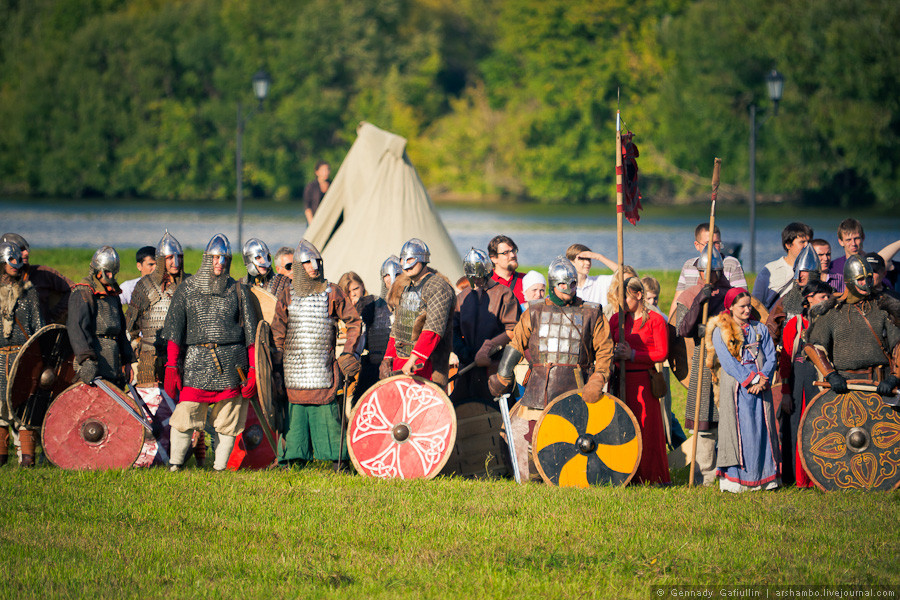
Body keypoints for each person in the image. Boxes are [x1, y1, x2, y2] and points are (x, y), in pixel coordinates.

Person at [488, 256, 614, 482]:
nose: (569, 289)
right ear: (554, 284)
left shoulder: (592, 312)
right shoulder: (534, 311)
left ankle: (574, 477)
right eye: (564, 284)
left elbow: (605, 351)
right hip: (540, 385)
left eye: (573, 284)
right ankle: (531, 478)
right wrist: (503, 374)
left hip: (577, 386)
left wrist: (599, 377)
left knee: (575, 436)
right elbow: (516, 343)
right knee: (522, 433)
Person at [161, 233, 258, 471]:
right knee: (185, 417)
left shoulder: (238, 290)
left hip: (232, 363)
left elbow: (251, 336)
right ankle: (175, 465)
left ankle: (220, 467)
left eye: (224, 258)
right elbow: (174, 332)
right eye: (215, 258)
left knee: (228, 420)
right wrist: (172, 366)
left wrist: (253, 369)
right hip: (197, 362)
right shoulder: (188, 289)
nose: (219, 263)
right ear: (207, 259)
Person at [272, 240, 361, 470]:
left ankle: (337, 461)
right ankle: (293, 459)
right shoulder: (288, 294)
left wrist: (349, 352)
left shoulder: (332, 292)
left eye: (317, 261)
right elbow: (278, 333)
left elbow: (354, 322)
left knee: (328, 416)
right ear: (300, 267)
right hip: (294, 371)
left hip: (323, 370)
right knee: (296, 419)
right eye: (308, 262)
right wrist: (275, 367)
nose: (314, 266)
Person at [126, 232, 195, 466]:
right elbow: (131, 324)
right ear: (161, 259)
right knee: (150, 406)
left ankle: (182, 455)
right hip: (149, 355)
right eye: (169, 258)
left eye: (178, 257)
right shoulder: (144, 286)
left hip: (182, 356)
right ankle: (145, 457)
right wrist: (137, 347)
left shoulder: (191, 284)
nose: (174, 262)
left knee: (181, 406)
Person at [707, 288, 780, 492]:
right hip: (738, 389)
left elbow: (771, 356)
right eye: (742, 306)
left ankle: (765, 479)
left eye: (749, 305)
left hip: (761, 388)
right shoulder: (721, 330)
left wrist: (763, 379)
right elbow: (728, 362)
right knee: (741, 431)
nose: (747, 309)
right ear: (730, 307)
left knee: (762, 430)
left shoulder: (760, 329)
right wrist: (751, 379)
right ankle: (737, 482)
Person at [805, 255, 900, 406]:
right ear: (849, 280)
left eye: (868, 278)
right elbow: (814, 348)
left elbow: (898, 345)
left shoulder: (884, 307)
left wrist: (894, 377)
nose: (866, 283)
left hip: (881, 385)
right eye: (861, 279)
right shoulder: (832, 311)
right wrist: (831, 375)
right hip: (845, 388)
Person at [673, 245, 733, 485]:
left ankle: (729, 472)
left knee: (730, 421)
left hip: (729, 362)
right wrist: (699, 301)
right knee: (704, 423)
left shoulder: (732, 294)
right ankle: (705, 476)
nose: (711, 277)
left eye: (716, 272)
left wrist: (712, 328)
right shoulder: (689, 295)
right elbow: (683, 329)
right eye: (707, 272)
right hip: (703, 364)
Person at [609, 277, 670, 485]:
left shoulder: (655, 319)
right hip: (619, 381)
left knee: (645, 428)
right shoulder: (617, 319)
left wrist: (633, 355)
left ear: (639, 295)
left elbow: (661, 353)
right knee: (620, 428)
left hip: (644, 381)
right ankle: (624, 475)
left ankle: (651, 476)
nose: (622, 302)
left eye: (625, 297)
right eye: (619, 298)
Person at [777, 279, 833, 487]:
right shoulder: (796, 324)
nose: (826, 300)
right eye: (822, 297)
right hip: (798, 385)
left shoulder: (831, 322)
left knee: (822, 431)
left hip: (822, 384)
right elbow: (785, 360)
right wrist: (784, 392)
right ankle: (796, 480)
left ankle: (819, 479)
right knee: (796, 430)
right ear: (808, 299)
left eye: (828, 297)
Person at [381, 238, 456, 388]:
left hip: (426, 363)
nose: (406, 264)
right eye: (403, 259)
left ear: (422, 260)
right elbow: (398, 328)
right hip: (402, 362)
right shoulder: (405, 286)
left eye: (410, 259)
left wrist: (413, 360)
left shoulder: (438, 286)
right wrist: (388, 358)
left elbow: (433, 329)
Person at [451, 248, 518, 404]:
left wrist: (488, 348)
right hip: (467, 368)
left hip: (495, 369)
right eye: (473, 278)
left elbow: (513, 330)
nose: (477, 282)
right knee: (460, 412)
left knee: (499, 415)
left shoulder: (504, 294)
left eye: (480, 277)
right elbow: (453, 331)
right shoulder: (462, 298)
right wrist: (465, 353)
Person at [0, 242, 45, 467]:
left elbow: (39, 329)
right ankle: (1, 459)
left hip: (23, 357)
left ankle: (27, 460)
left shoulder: (29, 291)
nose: (16, 266)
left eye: (18, 262)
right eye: (11, 262)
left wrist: (37, 360)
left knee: (25, 409)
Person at [68, 246, 134, 389]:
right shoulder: (84, 292)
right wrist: (86, 360)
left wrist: (127, 360)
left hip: (113, 365)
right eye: (108, 272)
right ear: (97, 270)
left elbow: (121, 331)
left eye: (114, 273)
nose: (111, 277)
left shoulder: (113, 295)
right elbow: (77, 328)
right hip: (93, 364)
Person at [670, 223, 747, 318]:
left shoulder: (731, 264)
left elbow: (742, 298)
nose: (712, 248)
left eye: (716, 243)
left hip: (722, 320)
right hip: (691, 321)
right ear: (697, 245)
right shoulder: (689, 265)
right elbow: (678, 300)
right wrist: (670, 328)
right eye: (708, 244)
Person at [337, 270, 390, 400]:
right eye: (348, 292)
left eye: (356, 289)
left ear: (362, 286)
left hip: (377, 362)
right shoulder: (340, 314)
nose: (353, 294)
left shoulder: (368, 304)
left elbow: (361, 338)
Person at [1, 233, 72, 323]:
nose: (27, 253)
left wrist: (54, 315)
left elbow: (74, 289)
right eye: (21, 250)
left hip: (43, 332)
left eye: (26, 249)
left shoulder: (43, 273)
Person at [765, 244, 821, 345]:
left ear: (814, 272)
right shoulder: (787, 299)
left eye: (804, 271)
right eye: (798, 271)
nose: (800, 275)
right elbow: (772, 329)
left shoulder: (826, 296)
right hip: (791, 350)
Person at [752, 222, 814, 310]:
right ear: (788, 245)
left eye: (809, 242)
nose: (807, 245)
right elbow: (756, 303)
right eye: (802, 242)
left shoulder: (814, 269)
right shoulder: (770, 270)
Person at [488, 235, 525, 304]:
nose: (512, 255)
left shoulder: (526, 280)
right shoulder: (485, 283)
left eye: (513, 251)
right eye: (506, 253)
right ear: (493, 258)